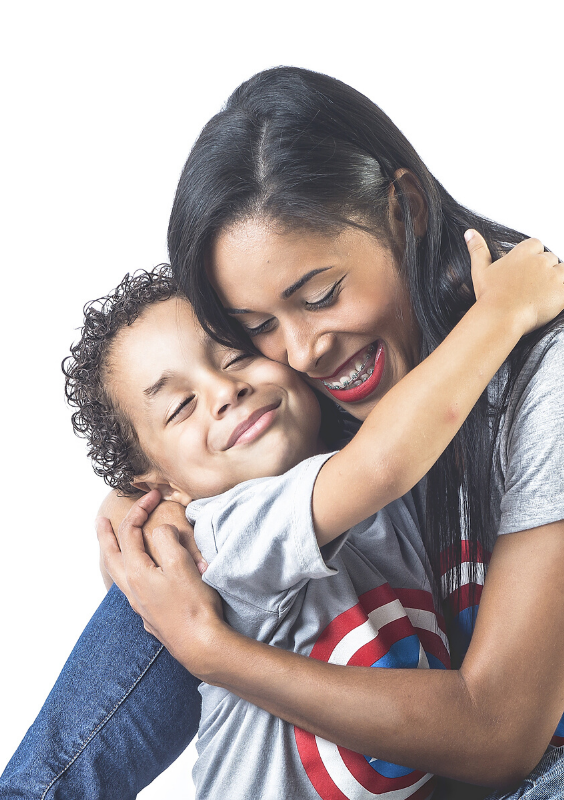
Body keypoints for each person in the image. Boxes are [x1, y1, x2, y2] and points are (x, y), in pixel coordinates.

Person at [0, 67, 564, 800]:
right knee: (168, 572)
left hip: (514, 764)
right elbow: (369, 462)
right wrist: (155, 521)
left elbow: (500, 734)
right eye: (256, 328)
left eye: (320, 295)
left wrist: (213, 650)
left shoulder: (539, 380)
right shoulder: (311, 435)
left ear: (406, 210)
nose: (300, 352)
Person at [60, 242, 562, 800]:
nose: (225, 392)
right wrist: (503, 313)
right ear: (159, 487)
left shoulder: (376, 500)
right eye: (180, 407)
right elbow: (382, 464)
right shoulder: (224, 531)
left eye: (234, 356)